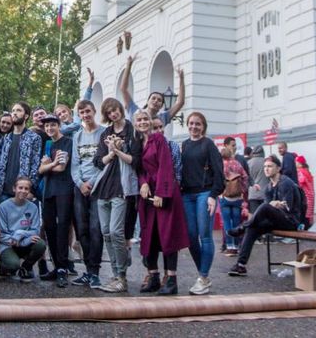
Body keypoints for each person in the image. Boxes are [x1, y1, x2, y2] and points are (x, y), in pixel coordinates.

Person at [134, 109, 188, 295]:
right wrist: (142, 184)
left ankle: (171, 280)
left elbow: (166, 166)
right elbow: (139, 169)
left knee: (167, 235)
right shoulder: (138, 143)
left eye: (145, 119)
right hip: (146, 195)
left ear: (150, 121)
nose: (142, 122)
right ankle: (154, 277)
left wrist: (161, 193)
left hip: (164, 193)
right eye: (139, 119)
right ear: (135, 123)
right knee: (150, 236)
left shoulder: (159, 140)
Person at [226, 156, 305, 277]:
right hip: (274, 220)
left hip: (290, 221)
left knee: (265, 207)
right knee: (252, 228)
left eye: (270, 166)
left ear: (278, 168)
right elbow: (270, 207)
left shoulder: (286, 183)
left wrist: (273, 205)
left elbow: (287, 207)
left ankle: (242, 227)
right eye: (265, 167)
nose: (266, 169)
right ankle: (240, 265)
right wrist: (273, 205)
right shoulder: (268, 187)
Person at [92, 97, 139, 293]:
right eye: (109, 111)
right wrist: (111, 152)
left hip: (122, 188)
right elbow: (98, 161)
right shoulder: (106, 133)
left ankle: (122, 276)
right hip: (104, 187)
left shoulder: (132, 131)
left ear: (120, 109)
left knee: (116, 232)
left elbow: (135, 161)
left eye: (115, 109)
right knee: (106, 233)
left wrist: (119, 150)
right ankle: (115, 274)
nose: (114, 113)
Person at [179, 109, 224, 295]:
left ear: (203, 127)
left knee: (205, 235)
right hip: (187, 195)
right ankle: (202, 274)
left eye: (198, 124)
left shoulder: (208, 144)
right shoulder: (184, 145)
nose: (194, 126)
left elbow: (219, 173)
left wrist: (214, 195)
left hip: (205, 193)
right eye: (191, 123)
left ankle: (203, 277)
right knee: (190, 237)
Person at [69, 97, 105, 288]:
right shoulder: (77, 136)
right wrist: (80, 183)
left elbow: (105, 163)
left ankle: (95, 271)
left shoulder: (103, 133)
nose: (85, 115)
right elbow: (74, 164)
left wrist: (91, 183)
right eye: (82, 112)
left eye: (88, 111)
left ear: (94, 111)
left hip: (98, 187)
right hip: (80, 188)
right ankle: (88, 270)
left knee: (95, 229)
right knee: (81, 229)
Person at [37, 115, 73, 287]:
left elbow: (61, 167)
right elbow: (41, 169)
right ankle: (56, 266)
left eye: (53, 125)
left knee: (62, 227)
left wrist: (48, 165)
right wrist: (50, 165)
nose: (50, 128)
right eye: (47, 126)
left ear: (59, 126)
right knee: (49, 227)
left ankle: (63, 268)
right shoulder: (48, 144)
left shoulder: (67, 142)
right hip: (49, 191)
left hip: (64, 190)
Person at [0, 177, 47, 280]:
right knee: (13, 266)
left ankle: (26, 267)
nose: (23, 191)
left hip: (24, 242)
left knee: (40, 244)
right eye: (20, 187)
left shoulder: (33, 207)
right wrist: (16, 239)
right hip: (8, 244)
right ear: (14, 189)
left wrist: (21, 236)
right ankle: (0, 264)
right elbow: (2, 234)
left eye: (26, 188)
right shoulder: (3, 206)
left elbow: (35, 230)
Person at [119, 55, 186, 126]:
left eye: (159, 100)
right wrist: (129, 65)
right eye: (153, 98)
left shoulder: (163, 117)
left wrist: (181, 79)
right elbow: (123, 88)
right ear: (147, 101)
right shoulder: (134, 111)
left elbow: (180, 102)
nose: (156, 101)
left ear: (161, 106)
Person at [0, 102, 43, 199]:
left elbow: (35, 165)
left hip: (23, 191)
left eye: (18, 110)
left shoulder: (34, 138)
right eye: (13, 111)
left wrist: (31, 188)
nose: (14, 113)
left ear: (26, 116)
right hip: (3, 190)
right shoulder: (5, 138)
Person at [219, 145, 248, 255]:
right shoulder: (237, 164)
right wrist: (242, 190)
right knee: (236, 222)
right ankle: (237, 246)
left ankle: (229, 246)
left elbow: (216, 179)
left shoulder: (221, 165)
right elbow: (245, 177)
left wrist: (219, 193)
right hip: (237, 197)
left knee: (226, 222)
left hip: (224, 196)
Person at [295, 155, 316, 226]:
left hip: (305, 196)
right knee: (309, 214)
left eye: (296, 162)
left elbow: (300, 183)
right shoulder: (307, 171)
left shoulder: (300, 172)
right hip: (311, 196)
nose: (295, 163)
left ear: (300, 164)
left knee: (304, 215)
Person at [246, 146, 266, 216]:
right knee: (265, 216)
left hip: (252, 194)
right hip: (265, 193)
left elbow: (246, 179)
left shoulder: (248, 163)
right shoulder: (266, 162)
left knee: (254, 217)